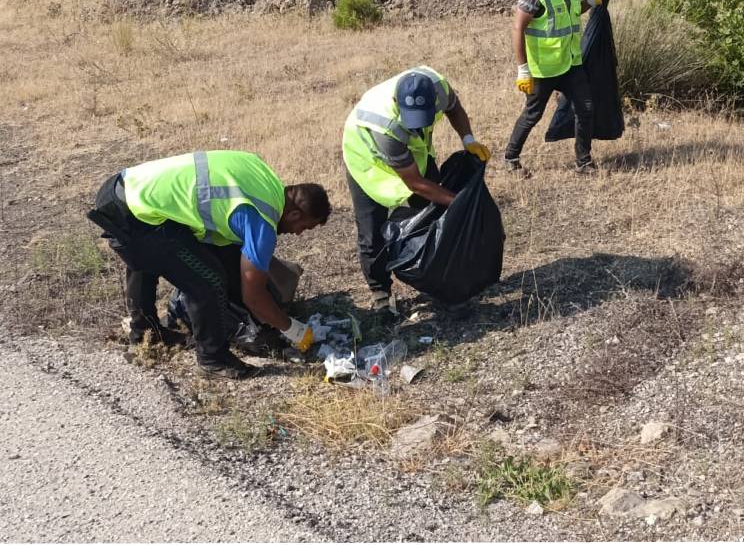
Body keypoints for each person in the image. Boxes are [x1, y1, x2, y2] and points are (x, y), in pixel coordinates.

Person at [86, 150, 331, 379]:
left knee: (146, 255)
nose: (298, 233)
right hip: (135, 213)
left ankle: (145, 333)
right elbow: (254, 298)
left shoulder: (263, 174)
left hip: (120, 189)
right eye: (304, 227)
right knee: (208, 280)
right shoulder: (262, 221)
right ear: (295, 214)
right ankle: (213, 358)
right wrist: (293, 329)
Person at [342, 66, 491, 312]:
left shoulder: (439, 87)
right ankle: (380, 292)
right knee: (371, 232)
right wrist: (461, 202)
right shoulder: (384, 125)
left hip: (412, 155)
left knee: (433, 215)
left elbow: (454, 109)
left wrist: (469, 140)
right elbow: (416, 184)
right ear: (396, 103)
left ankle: (436, 276)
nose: (417, 126)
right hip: (367, 163)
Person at [503, 0, 612, 177]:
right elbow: (518, 28)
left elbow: (572, 11)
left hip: (570, 62)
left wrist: (593, 0)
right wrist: (523, 70)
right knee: (533, 114)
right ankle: (510, 157)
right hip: (544, 68)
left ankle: (584, 162)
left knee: (586, 108)